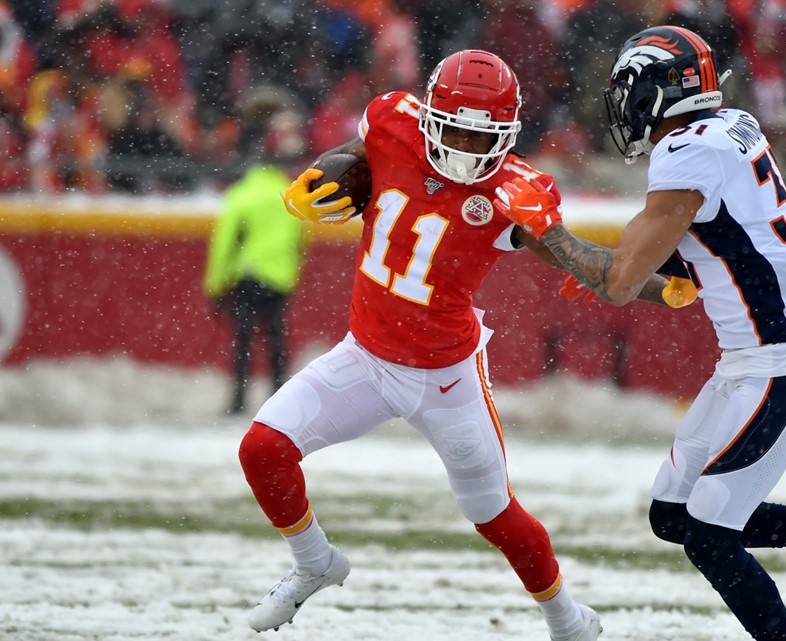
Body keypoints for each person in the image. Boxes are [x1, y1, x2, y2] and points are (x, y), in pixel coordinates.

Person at [493, 26, 786, 640]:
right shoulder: (729, 127)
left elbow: (622, 278)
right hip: (752, 359)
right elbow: (710, 235)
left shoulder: (688, 150)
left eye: (631, 91)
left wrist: (544, 234)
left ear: (661, 90)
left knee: (711, 537)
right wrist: (620, 265)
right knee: (673, 515)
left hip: (781, 363)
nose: (624, 106)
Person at [236, 50, 600, 641]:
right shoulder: (391, 122)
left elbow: (593, 264)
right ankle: (313, 562)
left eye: (483, 136)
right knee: (261, 449)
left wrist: (665, 284)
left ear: (506, 135)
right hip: (365, 358)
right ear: (431, 114)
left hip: (446, 377)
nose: (465, 146)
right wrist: (324, 171)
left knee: (494, 514)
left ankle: (567, 620)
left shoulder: (515, 192)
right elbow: (361, 157)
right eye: (454, 126)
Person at [202, 109, 308, 415]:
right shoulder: (288, 194)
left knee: (243, 344)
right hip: (280, 280)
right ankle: (280, 401)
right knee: (277, 343)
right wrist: (292, 275)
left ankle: (238, 403)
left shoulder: (242, 194)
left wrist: (215, 284)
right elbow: (301, 242)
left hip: (247, 279)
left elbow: (224, 245)